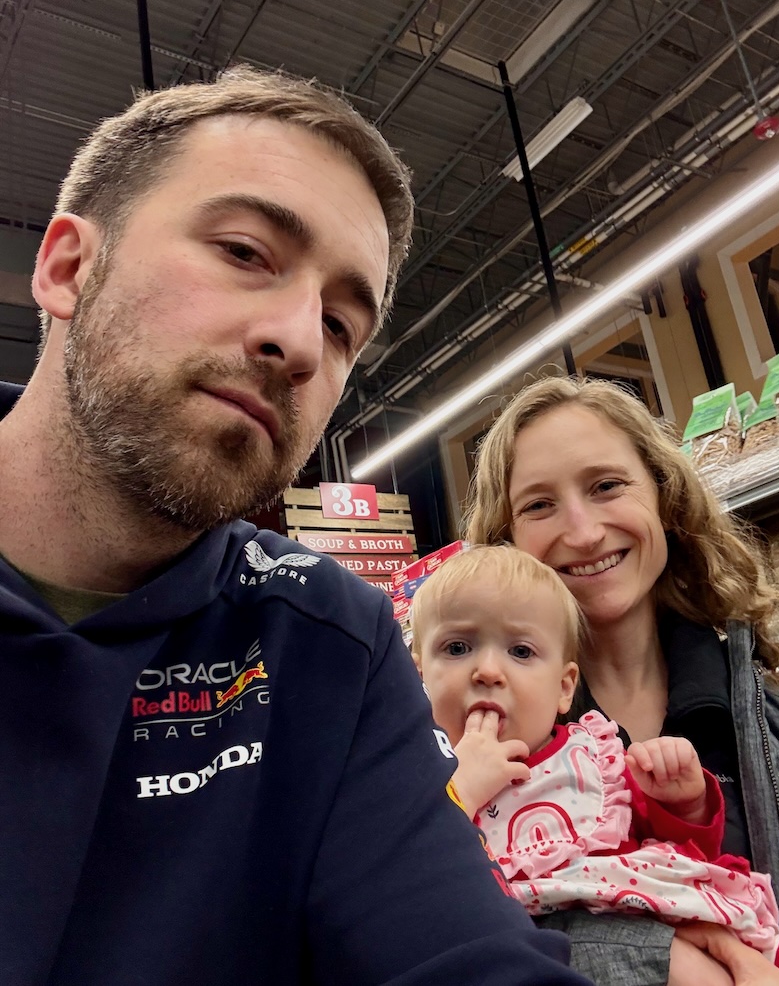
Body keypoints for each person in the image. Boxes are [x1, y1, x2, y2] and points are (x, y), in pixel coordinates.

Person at [0, 68, 593, 985]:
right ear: (69, 268)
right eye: (245, 251)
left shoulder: (326, 637)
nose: (304, 343)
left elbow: (464, 953)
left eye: (342, 323)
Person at [463, 373, 779, 985]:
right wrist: (662, 959)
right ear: (506, 542)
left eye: (607, 486)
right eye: (538, 505)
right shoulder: (474, 750)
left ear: (665, 500)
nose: (584, 532)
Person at [410, 544, 779, 980]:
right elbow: (407, 885)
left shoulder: (594, 758)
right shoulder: (412, 780)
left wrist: (683, 805)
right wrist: (459, 791)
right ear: (418, 675)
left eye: (520, 651)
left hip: (670, 924)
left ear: (564, 688)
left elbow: (681, 851)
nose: (487, 671)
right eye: (457, 647)